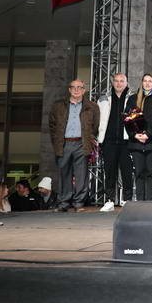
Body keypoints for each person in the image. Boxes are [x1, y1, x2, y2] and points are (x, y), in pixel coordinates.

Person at [48, 79, 99, 212]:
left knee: (81, 175)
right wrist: (56, 140)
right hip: (64, 143)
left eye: (79, 87)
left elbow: (95, 126)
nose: (76, 90)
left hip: (81, 143)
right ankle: (64, 203)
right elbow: (52, 125)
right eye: (74, 87)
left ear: (84, 90)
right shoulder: (58, 106)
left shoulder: (92, 106)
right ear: (69, 89)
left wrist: (88, 139)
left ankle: (78, 203)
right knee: (64, 173)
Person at [97, 72, 133, 212]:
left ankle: (127, 199)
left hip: (126, 141)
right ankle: (110, 200)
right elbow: (97, 119)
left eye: (122, 81)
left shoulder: (132, 98)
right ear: (112, 82)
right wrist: (98, 136)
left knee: (127, 172)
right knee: (109, 172)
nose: (119, 83)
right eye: (116, 81)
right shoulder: (103, 99)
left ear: (126, 83)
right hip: (108, 141)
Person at [125, 74, 152, 202]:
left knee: (151, 173)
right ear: (142, 83)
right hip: (136, 143)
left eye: (150, 81)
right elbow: (127, 119)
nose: (147, 83)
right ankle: (139, 202)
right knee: (138, 173)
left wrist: (148, 135)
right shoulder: (133, 99)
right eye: (145, 81)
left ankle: (149, 202)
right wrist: (135, 135)